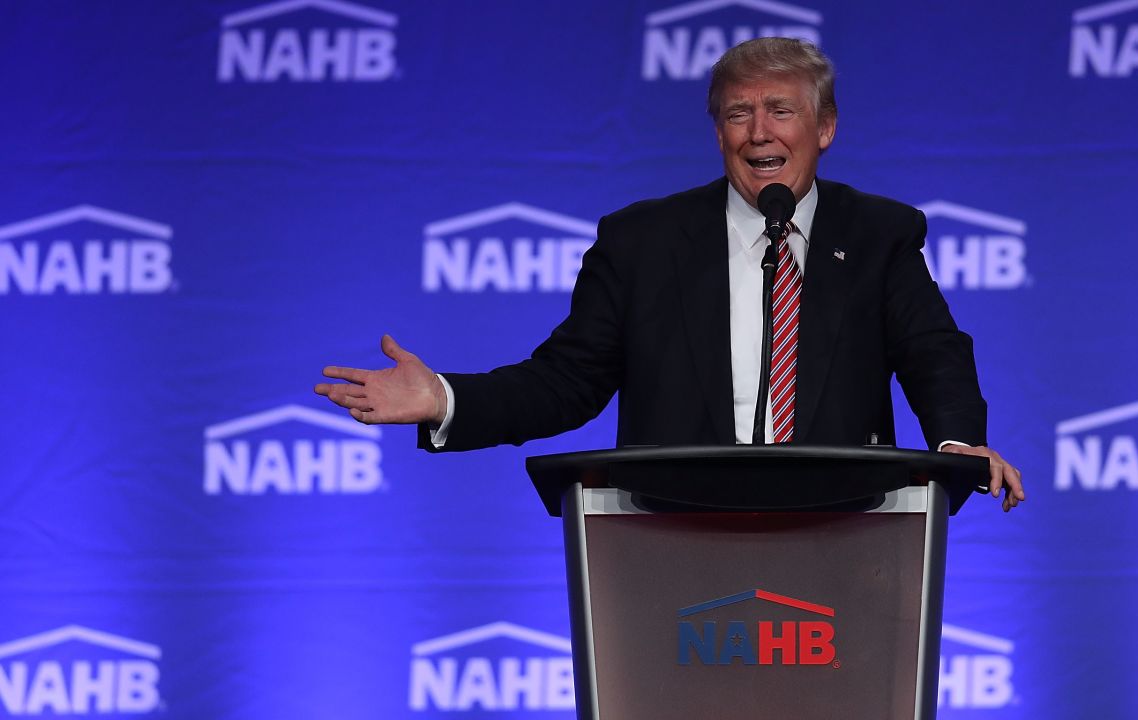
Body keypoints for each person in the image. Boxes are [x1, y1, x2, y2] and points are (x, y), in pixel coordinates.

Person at [315, 38, 1025, 511]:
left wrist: (956, 447)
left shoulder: (878, 233)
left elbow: (933, 352)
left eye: (781, 110)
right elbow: (567, 381)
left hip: (842, 528)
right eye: (738, 114)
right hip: (672, 535)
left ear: (825, 127)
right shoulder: (642, 241)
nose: (759, 132)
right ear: (718, 133)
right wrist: (444, 398)